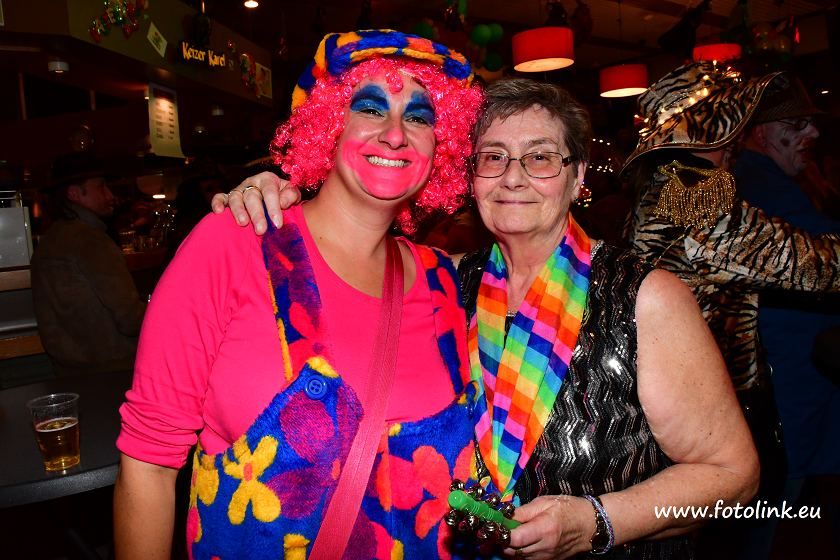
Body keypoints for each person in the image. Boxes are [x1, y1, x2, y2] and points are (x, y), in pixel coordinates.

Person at [216, 78, 759, 559]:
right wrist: (276, 200)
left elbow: (734, 476)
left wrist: (596, 521)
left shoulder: (644, 298)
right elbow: (347, 249)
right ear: (471, 178)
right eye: (493, 157)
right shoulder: (444, 281)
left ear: (577, 177)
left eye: (541, 157)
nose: (513, 178)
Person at [114, 30, 483, 559]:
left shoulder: (444, 282)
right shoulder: (234, 244)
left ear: (440, 145)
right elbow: (149, 463)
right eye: (370, 108)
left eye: (420, 117)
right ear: (327, 124)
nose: (396, 134)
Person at [734, 77, 840, 558]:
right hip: (787, 386)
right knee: (771, 514)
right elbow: (818, 260)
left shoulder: (771, 181)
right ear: (760, 132)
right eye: (796, 124)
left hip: (795, 383)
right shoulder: (755, 183)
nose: (812, 134)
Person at [31, 153, 146, 376]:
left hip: (66, 371)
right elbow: (130, 319)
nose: (110, 195)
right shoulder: (91, 240)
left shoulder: (48, 242)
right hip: (115, 369)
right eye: (101, 187)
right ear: (74, 193)